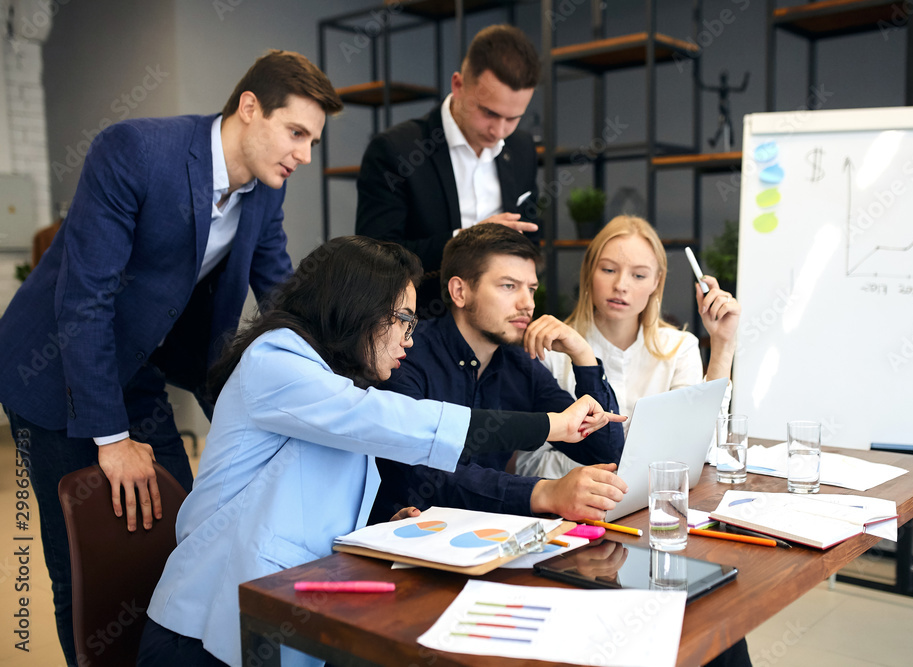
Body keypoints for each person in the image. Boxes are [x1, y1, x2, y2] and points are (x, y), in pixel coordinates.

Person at [0, 50, 341, 666]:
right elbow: (85, 300)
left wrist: (336, 385)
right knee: (88, 561)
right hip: (52, 371)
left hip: (139, 369)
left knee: (183, 533)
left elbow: (281, 298)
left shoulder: (262, 194)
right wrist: (111, 438)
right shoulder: (135, 151)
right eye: (297, 133)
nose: (305, 156)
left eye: (314, 141)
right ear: (249, 108)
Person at [138, 236, 620, 667]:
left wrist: (373, 530)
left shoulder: (335, 380)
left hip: (290, 615)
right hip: (203, 632)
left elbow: (303, 497)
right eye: (403, 320)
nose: (410, 338)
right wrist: (550, 425)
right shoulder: (276, 362)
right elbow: (395, 423)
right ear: (359, 308)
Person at [370, 223, 628, 525]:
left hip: (492, 539)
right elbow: (424, 477)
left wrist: (583, 357)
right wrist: (545, 492)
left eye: (531, 288)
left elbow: (607, 453)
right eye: (509, 286)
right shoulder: (406, 354)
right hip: (401, 543)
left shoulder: (520, 364)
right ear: (460, 291)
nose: (527, 303)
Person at [516, 214, 740, 479]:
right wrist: (624, 471)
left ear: (656, 282)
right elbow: (527, 465)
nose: (621, 285)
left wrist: (723, 344)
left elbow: (701, 450)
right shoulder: (551, 349)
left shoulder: (680, 348)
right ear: (589, 272)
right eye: (609, 270)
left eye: (639, 275)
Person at [355, 24, 541, 317]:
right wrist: (467, 240)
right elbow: (377, 259)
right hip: (420, 330)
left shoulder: (521, 148)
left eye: (513, 118)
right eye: (488, 112)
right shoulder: (395, 150)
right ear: (458, 85)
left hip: (503, 330)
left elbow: (531, 235)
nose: (499, 131)